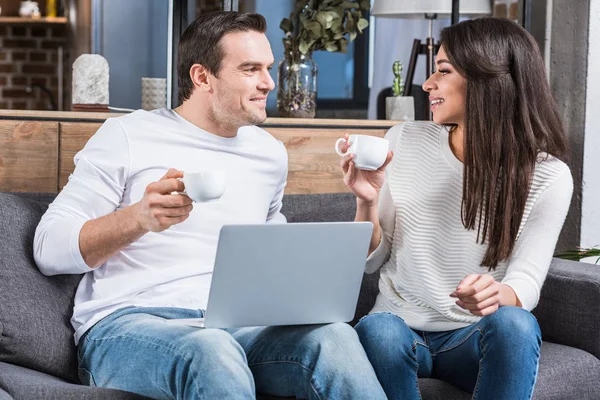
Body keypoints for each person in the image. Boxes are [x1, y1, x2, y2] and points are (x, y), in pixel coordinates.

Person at [34, 11, 386, 400]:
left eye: (269, 68)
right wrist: (137, 219)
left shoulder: (268, 153)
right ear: (202, 77)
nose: (268, 83)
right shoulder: (128, 135)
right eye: (251, 69)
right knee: (212, 349)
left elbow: (272, 259)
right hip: (130, 325)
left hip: (236, 327)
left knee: (334, 338)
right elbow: (49, 248)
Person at [340, 17, 573, 400]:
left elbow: (525, 284)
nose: (428, 83)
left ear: (487, 82)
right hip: (399, 329)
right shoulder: (404, 140)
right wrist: (366, 200)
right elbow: (370, 260)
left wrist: (496, 294)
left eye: (443, 71)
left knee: (515, 324)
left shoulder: (548, 175)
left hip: (473, 336)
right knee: (376, 329)